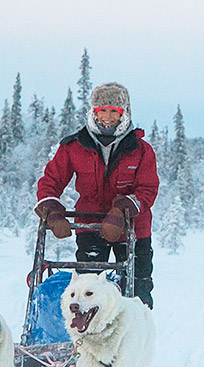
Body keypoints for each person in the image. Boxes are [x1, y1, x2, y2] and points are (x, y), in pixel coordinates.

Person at [34, 82, 159, 309]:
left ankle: (136, 339)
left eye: (114, 111)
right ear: (94, 112)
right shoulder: (74, 146)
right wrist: (51, 211)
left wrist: (121, 211)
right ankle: (88, 338)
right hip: (91, 224)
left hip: (134, 229)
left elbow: (147, 190)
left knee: (138, 293)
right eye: (102, 110)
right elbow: (51, 181)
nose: (108, 117)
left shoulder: (141, 150)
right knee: (88, 292)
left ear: (124, 113)